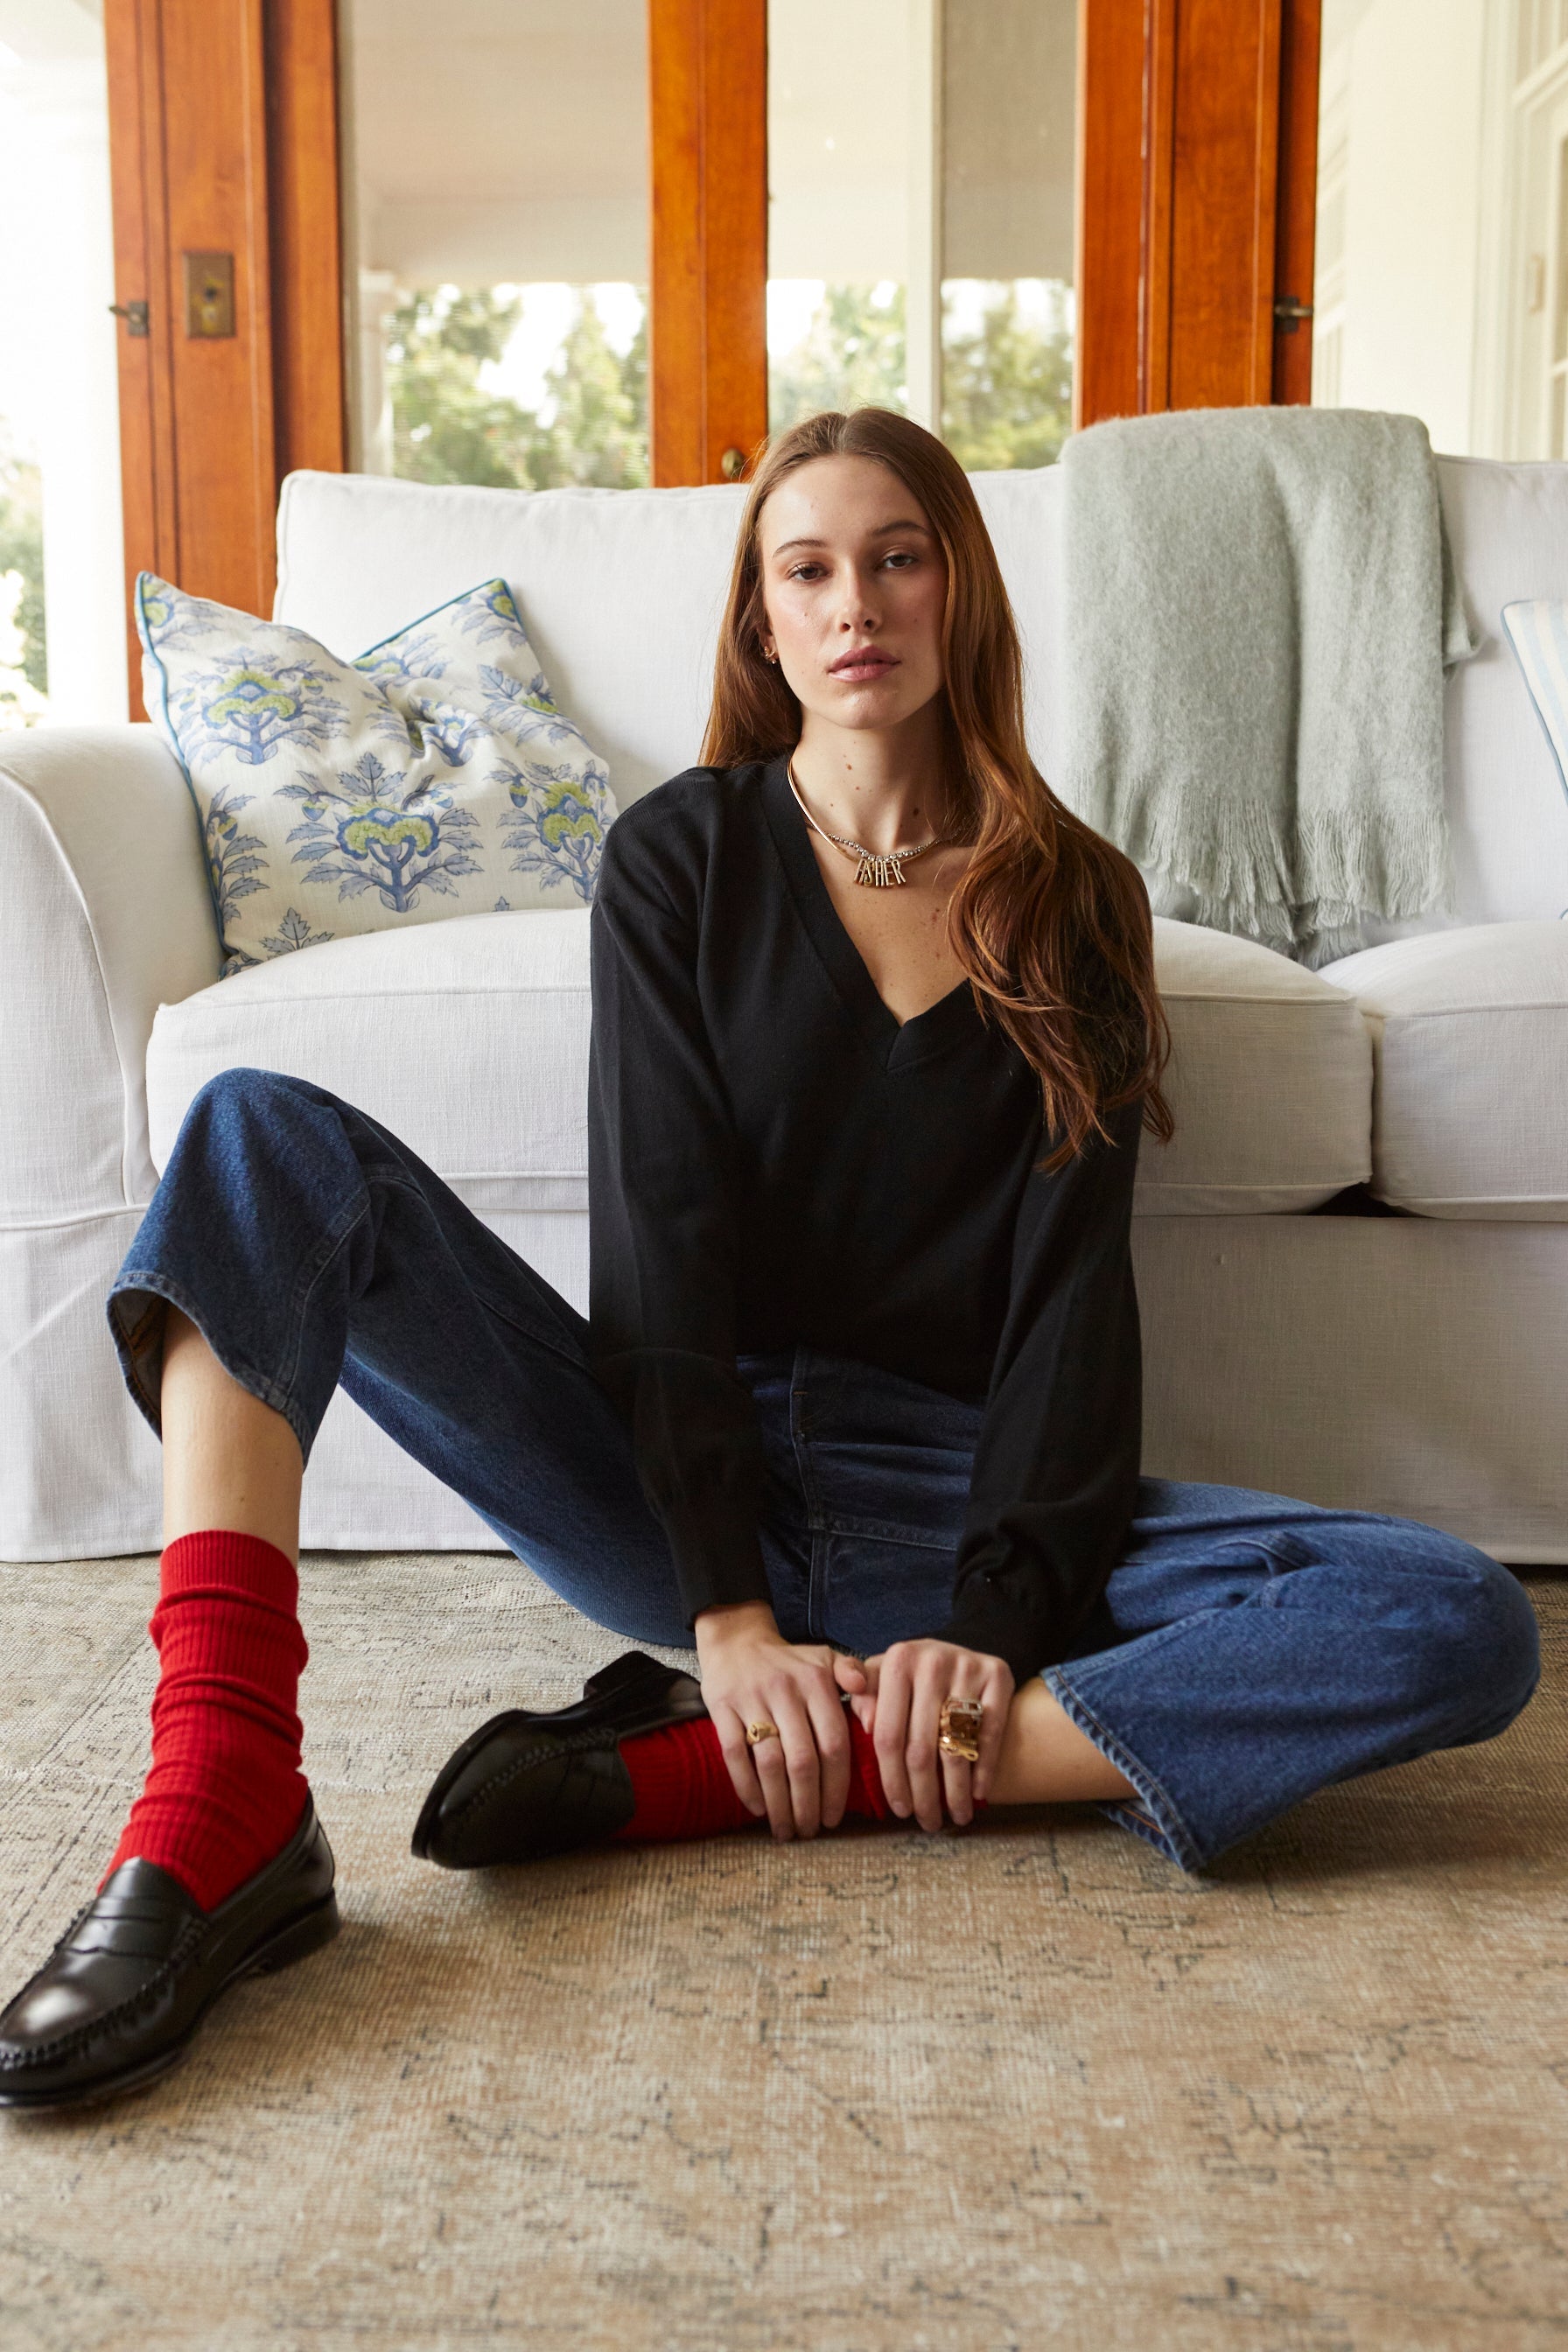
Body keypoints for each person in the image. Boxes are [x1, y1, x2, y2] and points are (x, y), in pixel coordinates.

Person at [0, 410, 1539, 2114]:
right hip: (666, 1494)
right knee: (255, 1136)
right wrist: (728, 1617)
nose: (854, 601)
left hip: (944, 1499)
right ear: (762, 619)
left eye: (897, 556)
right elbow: (658, 1251)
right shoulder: (682, 856)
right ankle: (221, 1803)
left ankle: (715, 1772)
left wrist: (993, 1623)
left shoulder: (1075, 898)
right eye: (807, 569)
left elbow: (1069, 1312)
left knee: (1449, 1616)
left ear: (959, 590)